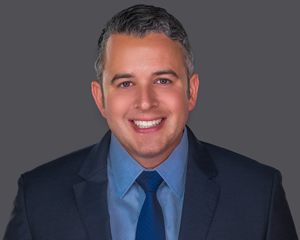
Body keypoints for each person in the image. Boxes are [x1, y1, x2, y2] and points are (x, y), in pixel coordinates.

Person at [3, 4, 298, 240]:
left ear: (191, 91)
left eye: (162, 80)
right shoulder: (38, 198)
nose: (145, 102)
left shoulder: (259, 194)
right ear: (100, 98)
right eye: (125, 83)